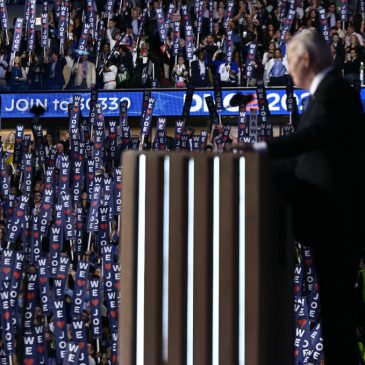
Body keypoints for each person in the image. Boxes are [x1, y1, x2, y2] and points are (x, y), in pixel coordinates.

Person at [245, 29, 365, 365]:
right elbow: (306, 154)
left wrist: (261, 149)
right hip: (328, 222)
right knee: (338, 315)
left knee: (340, 318)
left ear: (306, 59)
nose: (286, 68)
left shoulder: (335, 92)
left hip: (336, 222)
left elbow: (312, 138)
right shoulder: (323, 94)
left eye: (288, 60)